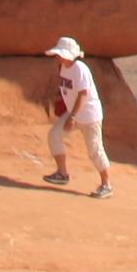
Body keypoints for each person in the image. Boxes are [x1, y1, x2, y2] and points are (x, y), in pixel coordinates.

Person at [42, 35, 112, 198]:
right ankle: (62, 173)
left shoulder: (80, 69)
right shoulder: (64, 68)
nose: (57, 57)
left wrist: (72, 116)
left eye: (59, 54)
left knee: (95, 150)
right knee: (54, 135)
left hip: (88, 116)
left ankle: (106, 184)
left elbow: (83, 94)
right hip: (74, 113)